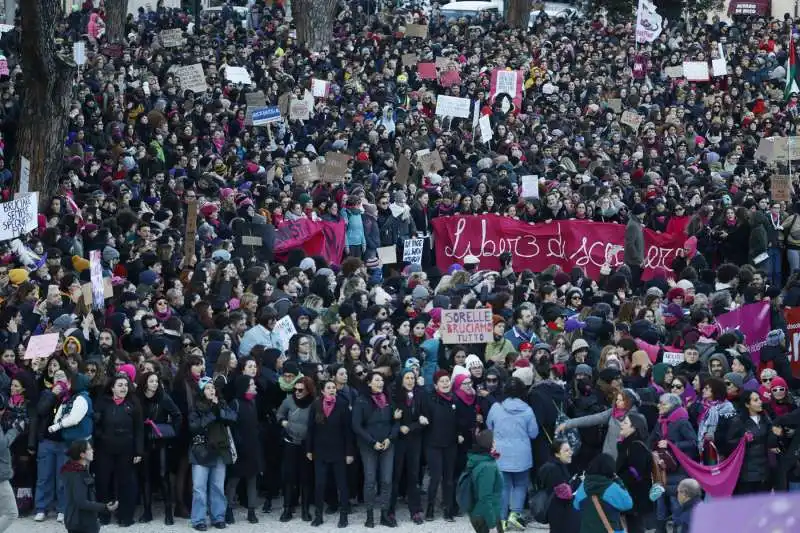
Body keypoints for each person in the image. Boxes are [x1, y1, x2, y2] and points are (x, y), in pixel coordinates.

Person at [486, 377, 538, 530]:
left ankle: (501, 518)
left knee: (503, 486)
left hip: (500, 454)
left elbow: (489, 426)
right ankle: (515, 514)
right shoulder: (528, 410)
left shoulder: (496, 407)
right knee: (520, 485)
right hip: (522, 454)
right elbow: (534, 433)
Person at [188, 377, 237, 531]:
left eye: (213, 388)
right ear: (202, 391)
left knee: (217, 487)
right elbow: (194, 427)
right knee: (199, 487)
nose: (211, 390)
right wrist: (211, 414)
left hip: (220, 450)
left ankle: (218, 517)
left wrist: (219, 410)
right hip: (201, 451)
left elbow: (233, 418)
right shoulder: (196, 407)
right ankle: (198, 519)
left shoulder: (221, 404)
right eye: (207, 388)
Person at [352, 371, 397, 528]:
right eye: (377, 380)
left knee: (386, 480)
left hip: (387, 444)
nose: (380, 383)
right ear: (369, 383)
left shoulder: (389, 399)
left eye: (382, 380)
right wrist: (372, 442)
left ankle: (384, 514)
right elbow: (356, 426)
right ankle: (369, 515)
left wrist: (389, 438)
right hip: (368, 445)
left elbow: (395, 421)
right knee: (370, 480)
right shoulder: (361, 400)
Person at [306, 380, 352, 528]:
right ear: (323, 391)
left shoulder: (343, 405)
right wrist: (309, 449)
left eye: (333, 388)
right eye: (329, 388)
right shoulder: (316, 405)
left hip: (339, 451)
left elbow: (348, 431)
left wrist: (349, 452)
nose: (332, 390)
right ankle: (318, 515)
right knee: (319, 484)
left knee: (342, 484)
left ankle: (343, 515)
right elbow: (310, 429)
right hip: (320, 451)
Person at [62, 440, 119, 533]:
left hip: (84, 521)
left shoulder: (80, 470)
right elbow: (81, 502)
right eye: (89, 449)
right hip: (80, 523)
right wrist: (105, 507)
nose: (92, 450)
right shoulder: (76, 474)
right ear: (82, 455)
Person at [727, 390, 776, 495]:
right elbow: (730, 443)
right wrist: (743, 440)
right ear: (747, 404)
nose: (760, 402)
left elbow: (771, 438)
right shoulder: (738, 421)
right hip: (747, 471)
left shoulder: (765, 418)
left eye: (759, 399)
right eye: (755, 400)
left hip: (765, 469)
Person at [573, 453, 633, 533]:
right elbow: (628, 504)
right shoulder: (612, 487)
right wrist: (618, 481)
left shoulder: (582, 486)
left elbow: (576, 506)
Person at [537, 440, 580, 533]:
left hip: (556, 509)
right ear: (557, 454)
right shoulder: (555, 469)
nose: (571, 453)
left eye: (570, 450)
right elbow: (565, 493)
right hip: (559, 511)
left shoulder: (553, 466)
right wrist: (577, 482)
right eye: (566, 451)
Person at [465, 430, 503, 533]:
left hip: (480, 513)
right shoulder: (487, 467)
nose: (496, 443)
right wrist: (492, 526)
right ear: (490, 445)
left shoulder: (479, 460)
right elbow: (485, 497)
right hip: (486, 516)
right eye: (494, 441)